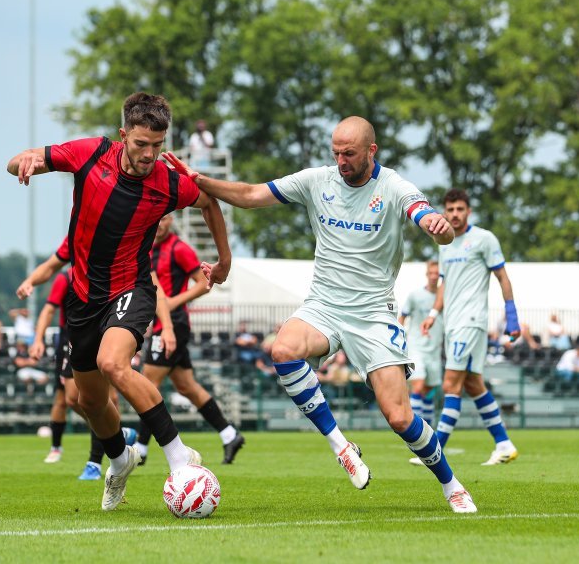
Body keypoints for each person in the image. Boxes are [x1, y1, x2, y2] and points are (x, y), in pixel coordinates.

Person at [164, 115, 477, 513]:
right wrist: (199, 180)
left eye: (350, 154)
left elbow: (428, 218)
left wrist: (438, 227)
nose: (341, 161)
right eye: (336, 153)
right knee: (282, 349)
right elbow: (250, 194)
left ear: (371, 151)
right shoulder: (317, 180)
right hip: (324, 305)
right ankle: (341, 446)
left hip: (372, 313)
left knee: (400, 418)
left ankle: (452, 485)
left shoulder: (394, 187)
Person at [7, 92, 231, 511]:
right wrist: (26, 160)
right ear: (123, 135)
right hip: (82, 299)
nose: (149, 154)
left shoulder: (168, 182)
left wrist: (225, 259)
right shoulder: (91, 153)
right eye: (141, 144)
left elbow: (209, 203)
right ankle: (120, 459)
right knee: (87, 401)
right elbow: (17, 160)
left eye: (157, 146)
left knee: (113, 363)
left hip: (132, 288)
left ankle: (179, 458)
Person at [419, 188, 520, 467]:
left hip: (471, 322)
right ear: (444, 211)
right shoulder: (443, 243)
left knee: (451, 384)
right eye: (450, 209)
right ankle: (504, 444)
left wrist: (511, 315)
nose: (455, 214)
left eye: (460, 209)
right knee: (474, 385)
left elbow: (502, 276)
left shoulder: (484, 239)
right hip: (452, 324)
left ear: (468, 211)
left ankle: (435, 450)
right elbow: (444, 283)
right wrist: (433, 313)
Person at [134, 213, 245, 466]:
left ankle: (140, 448)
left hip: (173, 324)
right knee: (186, 386)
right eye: (156, 219)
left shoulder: (179, 249)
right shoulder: (146, 247)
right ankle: (230, 434)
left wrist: (172, 302)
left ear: (170, 220)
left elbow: (203, 283)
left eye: (163, 219)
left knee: (147, 384)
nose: (159, 224)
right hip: (163, 324)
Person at [23, 245, 134, 477]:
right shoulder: (66, 278)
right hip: (72, 340)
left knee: (103, 398)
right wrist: (38, 339)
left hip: (105, 336)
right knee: (73, 399)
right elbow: (48, 310)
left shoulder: (110, 276)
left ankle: (95, 462)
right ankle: (116, 435)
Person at [399, 261, 444, 427]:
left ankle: (428, 430)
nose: (433, 277)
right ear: (426, 274)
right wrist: (399, 340)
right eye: (431, 273)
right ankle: (415, 429)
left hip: (434, 350)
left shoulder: (444, 298)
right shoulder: (415, 295)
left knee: (428, 392)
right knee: (418, 387)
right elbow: (402, 317)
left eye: (437, 274)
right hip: (416, 347)